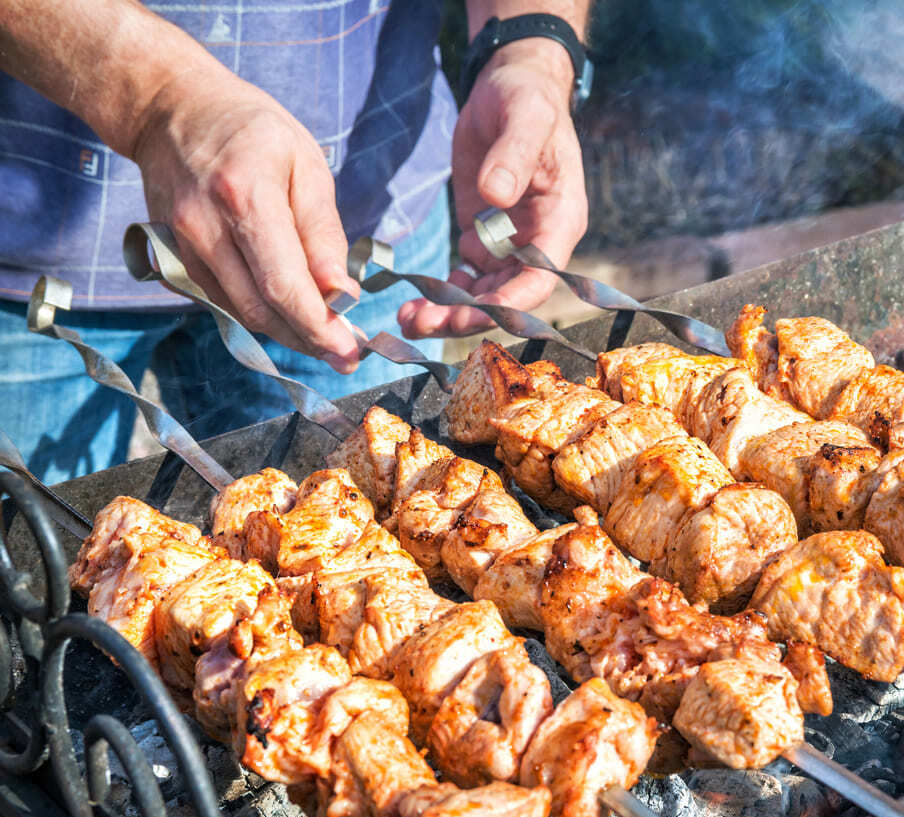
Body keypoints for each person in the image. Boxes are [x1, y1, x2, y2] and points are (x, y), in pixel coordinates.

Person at [0, 0, 589, 483]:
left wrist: (531, 42)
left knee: (380, 516)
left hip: (362, 222)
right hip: (28, 248)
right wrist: (155, 97)